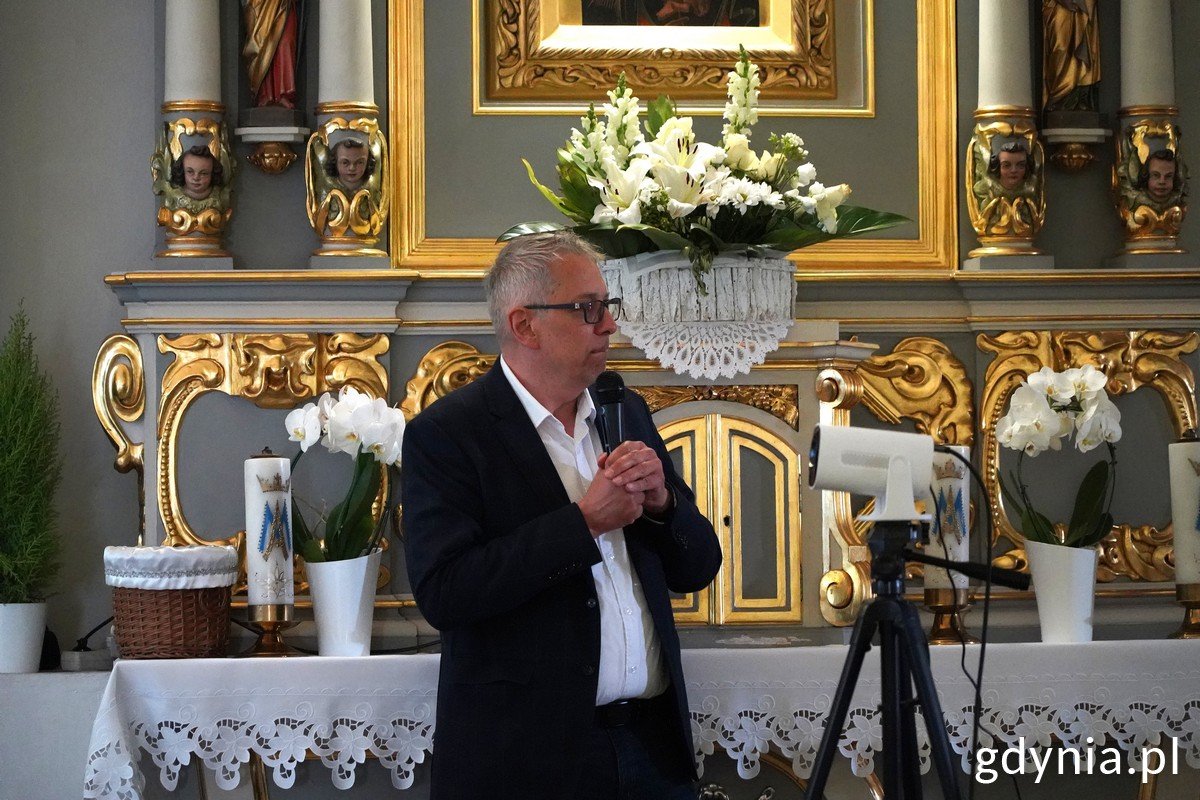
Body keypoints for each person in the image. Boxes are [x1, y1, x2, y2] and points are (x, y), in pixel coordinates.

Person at [401, 231, 722, 800]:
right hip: (528, 762)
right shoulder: (449, 433)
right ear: (525, 325)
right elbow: (446, 592)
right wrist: (585, 523)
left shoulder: (625, 411)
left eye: (607, 306)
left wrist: (663, 505)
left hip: (652, 748)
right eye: (588, 309)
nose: (609, 325)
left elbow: (698, 567)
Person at [1041, 0, 1100, 113]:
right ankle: (1058, 97)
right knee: (1060, 48)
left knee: (1081, 48)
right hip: (1057, 5)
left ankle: (1077, 98)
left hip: (1081, 7)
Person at [241, 0, 301, 109]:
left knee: (285, 43)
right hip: (260, 5)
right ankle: (265, 95)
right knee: (264, 47)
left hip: (284, 5)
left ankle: (283, 94)